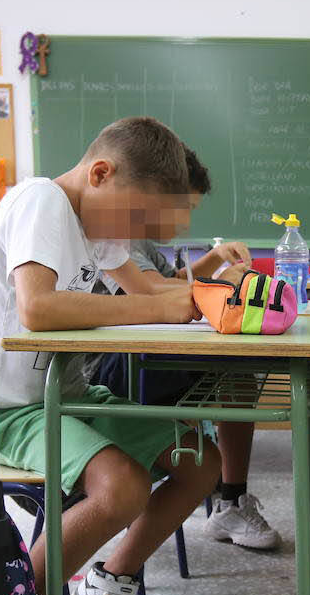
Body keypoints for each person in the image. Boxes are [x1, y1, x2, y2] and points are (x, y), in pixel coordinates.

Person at [0, 116, 222, 595]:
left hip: (72, 396)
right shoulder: (41, 201)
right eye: (135, 215)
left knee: (201, 462)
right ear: (101, 173)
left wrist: (219, 294)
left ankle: (109, 580)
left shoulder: (97, 224)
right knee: (122, 489)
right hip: (14, 412)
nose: (133, 233)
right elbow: (38, 309)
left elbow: (151, 285)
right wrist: (158, 307)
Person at [88, 149, 282, 549]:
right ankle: (229, 499)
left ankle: (230, 499)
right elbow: (150, 291)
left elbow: (165, 280)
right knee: (238, 367)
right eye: (182, 209)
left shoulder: (134, 235)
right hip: (112, 367)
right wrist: (222, 284)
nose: (185, 222)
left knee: (239, 365)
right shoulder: (116, 229)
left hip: (134, 355)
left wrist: (212, 262)